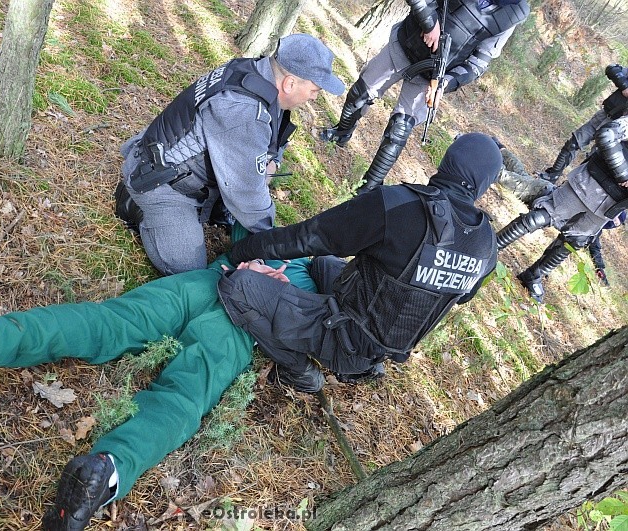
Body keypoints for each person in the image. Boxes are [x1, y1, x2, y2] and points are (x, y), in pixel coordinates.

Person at [0, 252, 318, 531]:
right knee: (181, 399)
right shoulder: (334, 289)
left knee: (108, 322)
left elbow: (246, 223)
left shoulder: (298, 236)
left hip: (211, 281)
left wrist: (252, 260)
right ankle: (107, 470)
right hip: (239, 325)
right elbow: (316, 352)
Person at [218, 133, 501, 388]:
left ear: (447, 161)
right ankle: (365, 365)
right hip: (378, 340)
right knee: (324, 263)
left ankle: (299, 371)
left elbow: (308, 237)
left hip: (343, 336)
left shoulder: (399, 206)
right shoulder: (487, 244)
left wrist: (244, 251)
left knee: (238, 286)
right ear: (484, 183)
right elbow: (459, 297)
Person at [115, 33, 345, 275]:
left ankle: (204, 208)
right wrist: (269, 237)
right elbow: (246, 192)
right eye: (315, 90)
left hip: (188, 174)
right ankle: (135, 206)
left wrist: (269, 165)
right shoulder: (243, 110)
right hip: (162, 183)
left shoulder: (256, 75)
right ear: (289, 83)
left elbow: (273, 143)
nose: (314, 97)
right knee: (190, 272)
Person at [319, 0, 528, 193]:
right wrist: (429, 23)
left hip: (433, 75)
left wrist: (446, 82)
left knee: (399, 129)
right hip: (405, 44)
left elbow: (479, 62)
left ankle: (368, 186)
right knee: (360, 94)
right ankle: (342, 132)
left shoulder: (512, 13)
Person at [496, 102, 628, 303]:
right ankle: (492, 246)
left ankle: (534, 275)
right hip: (586, 185)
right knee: (541, 216)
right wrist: (623, 174)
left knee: (574, 242)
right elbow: (606, 135)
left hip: (607, 208)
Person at [538, 64, 628, 184]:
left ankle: (567, 187)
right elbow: (612, 69)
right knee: (573, 144)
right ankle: (551, 176)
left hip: (616, 130)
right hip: (604, 115)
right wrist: (624, 86)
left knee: (592, 161)